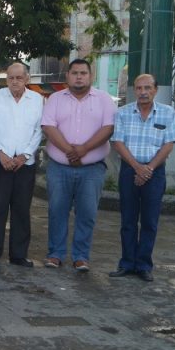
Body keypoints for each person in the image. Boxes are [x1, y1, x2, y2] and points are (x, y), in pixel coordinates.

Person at [41, 58, 116, 272]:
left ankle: (81, 256)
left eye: (83, 73)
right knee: (57, 211)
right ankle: (55, 254)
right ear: (67, 76)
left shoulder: (104, 99)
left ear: (91, 76)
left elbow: (108, 128)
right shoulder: (55, 99)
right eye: (75, 73)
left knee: (87, 213)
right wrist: (69, 150)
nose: (79, 77)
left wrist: (83, 149)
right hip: (59, 167)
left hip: (92, 169)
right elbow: (48, 127)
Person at [109, 74, 175, 282]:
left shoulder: (167, 112)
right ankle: (127, 263)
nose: (143, 92)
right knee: (128, 220)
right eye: (139, 88)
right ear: (134, 90)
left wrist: (148, 169)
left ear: (155, 90)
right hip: (130, 169)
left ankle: (144, 265)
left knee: (149, 221)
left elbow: (169, 144)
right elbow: (118, 142)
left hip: (155, 172)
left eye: (147, 88)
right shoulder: (123, 113)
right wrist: (137, 168)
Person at [0, 62, 44, 267]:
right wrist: (0, 153)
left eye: (19, 78)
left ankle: (18, 255)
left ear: (27, 79)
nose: (15, 81)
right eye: (11, 78)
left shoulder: (37, 99)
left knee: (21, 211)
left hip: (25, 164)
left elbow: (39, 130)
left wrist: (25, 155)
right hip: (1, 163)